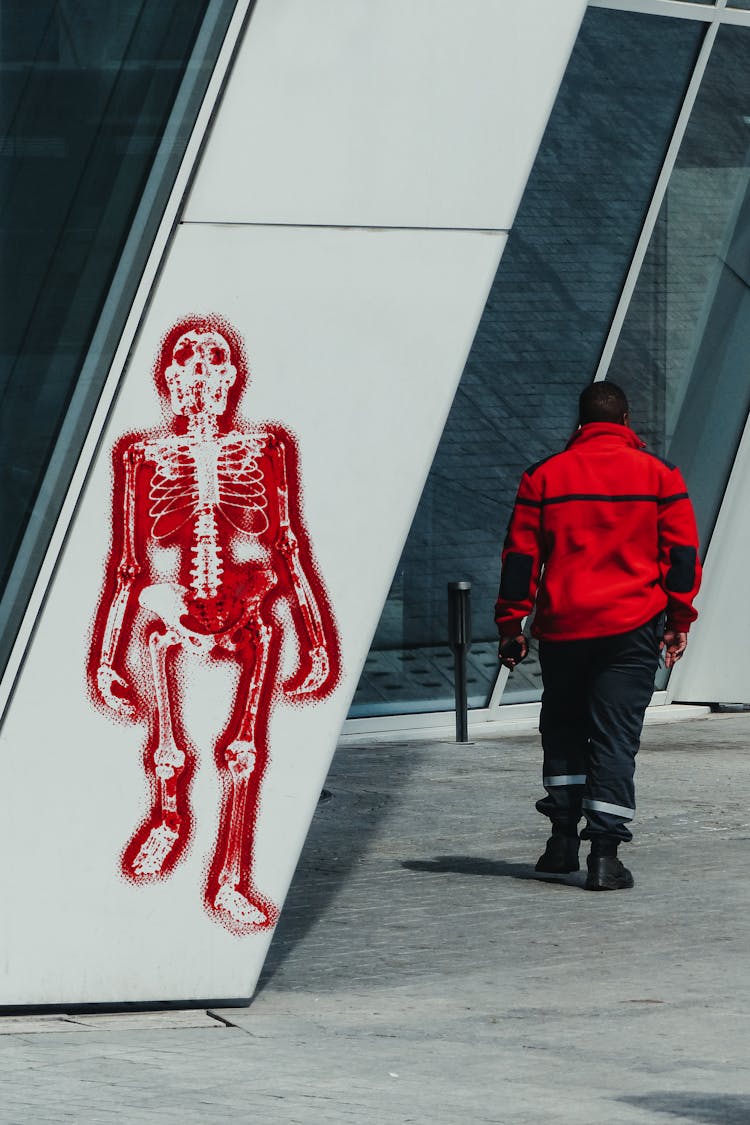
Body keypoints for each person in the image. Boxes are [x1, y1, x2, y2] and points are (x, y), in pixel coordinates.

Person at [494, 382, 701, 891]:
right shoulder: (659, 476)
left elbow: (521, 559)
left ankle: (561, 842)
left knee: (563, 729)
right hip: (631, 628)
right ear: (626, 420)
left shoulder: (543, 476)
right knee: (614, 739)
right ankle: (604, 857)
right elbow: (681, 558)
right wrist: (679, 621)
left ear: (580, 422)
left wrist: (510, 626)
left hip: (565, 627)